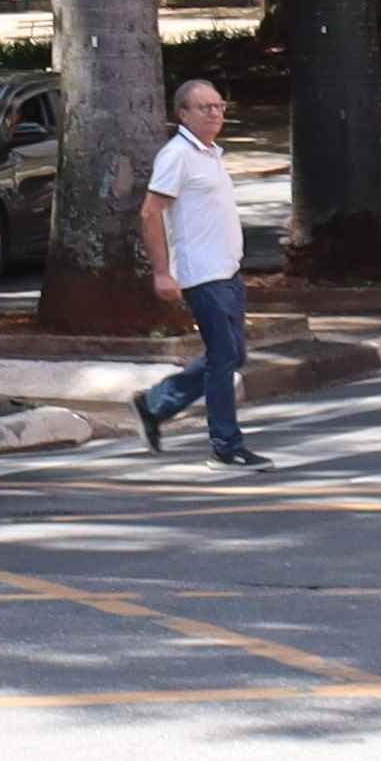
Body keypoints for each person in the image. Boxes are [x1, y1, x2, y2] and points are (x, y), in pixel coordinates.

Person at [131, 76, 264, 470]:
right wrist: (162, 272)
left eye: (220, 106)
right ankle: (226, 446)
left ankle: (154, 405)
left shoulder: (210, 153)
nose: (215, 114)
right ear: (183, 113)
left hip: (227, 271)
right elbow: (150, 213)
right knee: (224, 357)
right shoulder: (177, 155)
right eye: (205, 108)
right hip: (201, 275)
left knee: (232, 354)